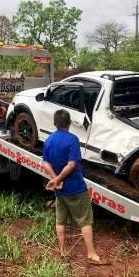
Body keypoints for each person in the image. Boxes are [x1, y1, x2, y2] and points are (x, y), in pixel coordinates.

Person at [42, 109, 105, 265]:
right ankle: (91, 254)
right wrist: (59, 179)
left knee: (60, 220)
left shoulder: (49, 140)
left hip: (60, 190)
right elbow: (71, 164)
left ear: (55, 123)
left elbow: (45, 163)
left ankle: (63, 252)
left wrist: (55, 180)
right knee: (85, 221)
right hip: (75, 187)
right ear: (69, 123)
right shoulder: (72, 139)